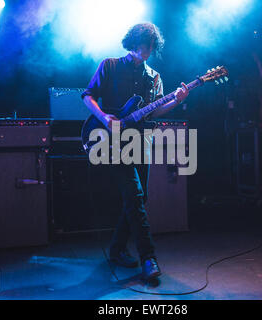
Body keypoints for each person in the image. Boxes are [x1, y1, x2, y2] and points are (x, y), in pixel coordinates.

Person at [81, 23, 189, 281]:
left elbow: (153, 111)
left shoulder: (154, 76)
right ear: (133, 42)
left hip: (141, 139)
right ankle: (148, 258)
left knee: (140, 198)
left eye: (151, 47)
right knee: (135, 193)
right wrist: (104, 117)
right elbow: (88, 96)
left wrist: (177, 100)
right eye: (143, 46)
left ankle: (117, 249)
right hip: (113, 138)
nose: (147, 52)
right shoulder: (109, 65)